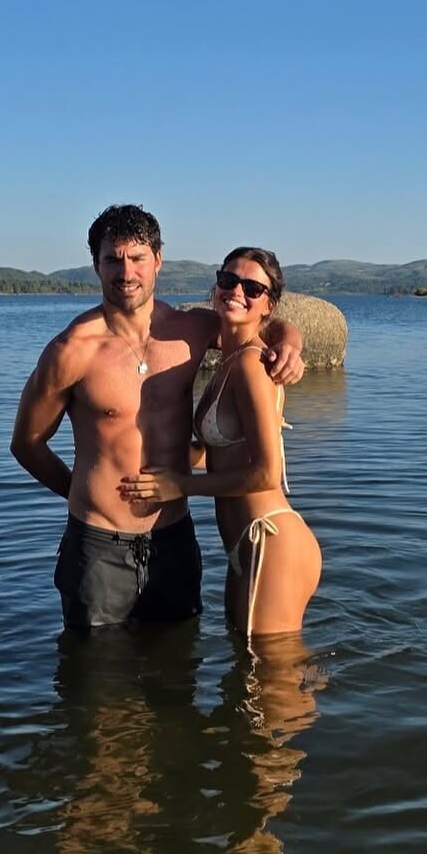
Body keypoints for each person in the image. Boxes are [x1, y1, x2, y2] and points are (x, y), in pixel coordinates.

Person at [11, 207, 304, 630]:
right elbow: (27, 443)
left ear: (158, 260)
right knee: (97, 669)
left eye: (137, 258)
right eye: (112, 260)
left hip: (174, 539)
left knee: (180, 663)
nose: (126, 273)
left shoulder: (191, 330)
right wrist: (81, 494)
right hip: (99, 547)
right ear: (96, 265)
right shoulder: (71, 351)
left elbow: (256, 323)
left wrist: (291, 342)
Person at [119, 248, 321, 642]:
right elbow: (222, 451)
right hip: (247, 545)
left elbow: (266, 474)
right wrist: (153, 454)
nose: (236, 291)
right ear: (216, 287)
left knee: (268, 672)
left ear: (269, 305)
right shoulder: (229, 362)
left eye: (252, 288)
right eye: (228, 280)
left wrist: (180, 485)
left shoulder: (250, 366)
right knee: (250, 667)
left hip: (270, 539)